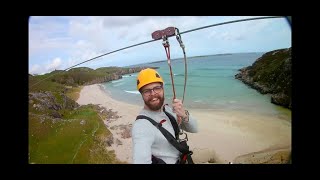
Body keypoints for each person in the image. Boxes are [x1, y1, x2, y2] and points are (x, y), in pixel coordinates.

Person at [132, 68, 198, 164]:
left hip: (183, 157)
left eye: (157, 88)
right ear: (141, 94)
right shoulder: (141, 126)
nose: (153, 94)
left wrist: (184, 115)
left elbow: (195, 129)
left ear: (162, 88)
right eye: (147, 91)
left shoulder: (168, 110)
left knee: (212, 154)